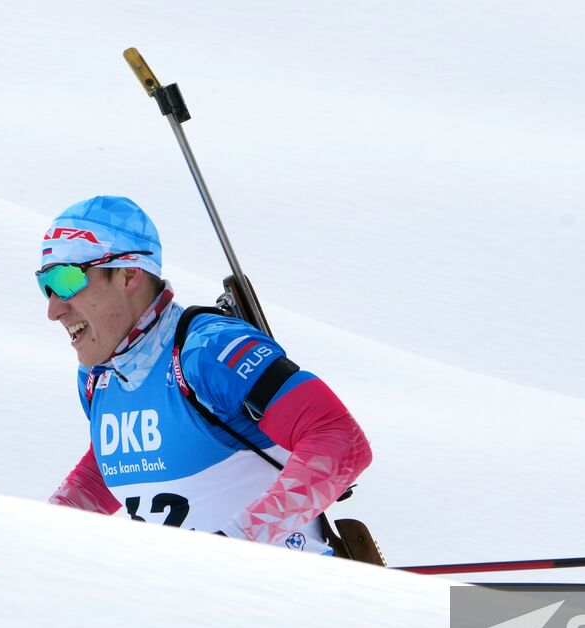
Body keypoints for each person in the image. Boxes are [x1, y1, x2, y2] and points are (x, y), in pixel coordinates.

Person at [39, 195, 372, 555]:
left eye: (67, 279)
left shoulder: (207, 349)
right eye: (46, 285)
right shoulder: (97, 378)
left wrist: (236, 547)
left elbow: (340, 441)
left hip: (290, 596)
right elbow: (113, 465)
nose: (54, 309)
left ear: (128, 274)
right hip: (191, 600)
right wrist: (38, 533)